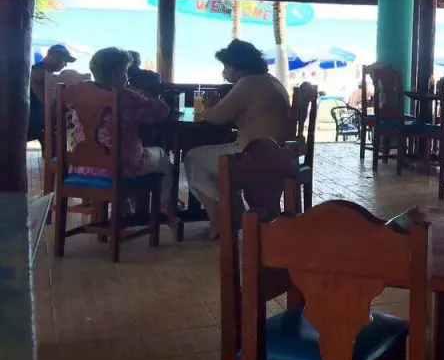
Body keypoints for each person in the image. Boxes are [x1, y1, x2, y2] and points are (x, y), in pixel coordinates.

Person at [184, 40, 291, 239]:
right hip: (280, 151)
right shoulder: (269, 80)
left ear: (238, 66)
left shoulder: (247, 83)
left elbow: (217, 117)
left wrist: (203, 110)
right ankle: (233, 217)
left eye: (226, 66)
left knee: (193, 159)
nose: (224, 71)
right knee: (208, 163)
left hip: (257, 154)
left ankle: (221, 223)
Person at [68, 48, 173, 206]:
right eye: (125, 72)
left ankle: (125, 210)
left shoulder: (81, 94)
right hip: (120, 167)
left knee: (129, 152)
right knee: (163, 157)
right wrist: (133, 89)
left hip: (83, 165)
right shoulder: (127, 97)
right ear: (116, 75)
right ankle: (167, 208)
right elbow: (162, 112)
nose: (127, 77)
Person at [28, 44, 77, 142]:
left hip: (38, 119)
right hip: (31, 120)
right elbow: (46, 103)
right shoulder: (37, 72)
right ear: (53, 55)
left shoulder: (45, 74)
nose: (65, 64)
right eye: (64, 59)